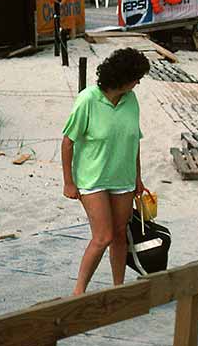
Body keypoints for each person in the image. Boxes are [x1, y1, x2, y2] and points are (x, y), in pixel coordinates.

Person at [61, 47, 151, 295]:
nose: (138, 83)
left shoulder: (131, 100)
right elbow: (68, 142)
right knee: (103, 236)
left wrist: (137, 177)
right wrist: (68, 182)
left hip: (123, 178)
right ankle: (78, 293)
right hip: (92, 179)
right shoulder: (87, 100)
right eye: (136, 78)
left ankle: (117, 289)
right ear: (123, 77)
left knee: (120, 234)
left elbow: (134, 140)